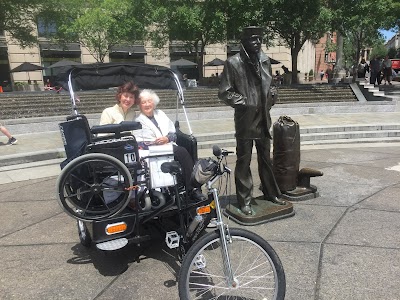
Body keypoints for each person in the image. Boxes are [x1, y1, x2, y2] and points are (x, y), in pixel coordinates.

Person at [218, 26, 286, 216]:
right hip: (246, 120)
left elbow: (271, 85)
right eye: (253, 39)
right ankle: (245, 200)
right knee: (244, 162)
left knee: (266, 159)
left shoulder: (264, 60)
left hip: (263, 118)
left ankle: (271, 193)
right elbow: (224, 92)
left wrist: (273, 95)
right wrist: (245, 103)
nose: (257, 43)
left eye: (259, 39)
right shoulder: (233, 63)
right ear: (244, 42)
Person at [134, 89, 206, 202]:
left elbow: (173, 133)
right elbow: (143, 141)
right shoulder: (138, 120)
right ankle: (193, 189)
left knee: (188, 149)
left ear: (154, 102)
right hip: (153, 151)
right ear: (139, 105)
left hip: (168, 145)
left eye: (149, 101)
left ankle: (192, 186)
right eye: (143, 102)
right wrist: (158, 141)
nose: (147, 104)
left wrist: (167, 138)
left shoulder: (160, 114)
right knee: (182, 152)